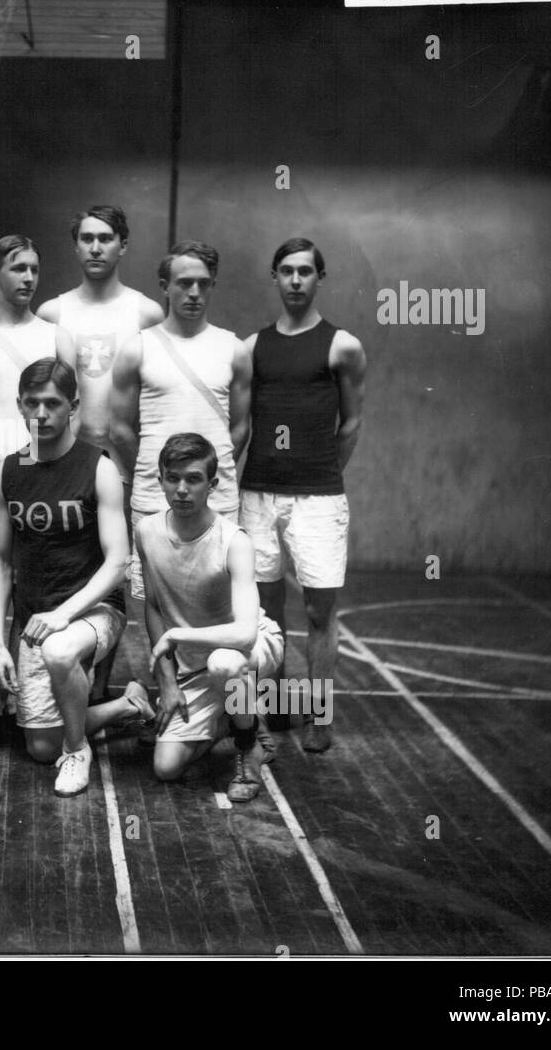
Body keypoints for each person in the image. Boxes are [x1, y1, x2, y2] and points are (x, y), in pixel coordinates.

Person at [0, 359, 150, 797]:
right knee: (40, 746)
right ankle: (124, 706)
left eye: (53, 404)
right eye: (32, 403)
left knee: (60, 651)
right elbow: (1, 560)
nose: (42, 414)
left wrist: (64, 614)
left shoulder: (98, 468)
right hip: (37, 619)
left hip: (94, 610)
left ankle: (78, 751)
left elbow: (118, 563)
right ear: (19, 405)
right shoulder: (9, 470)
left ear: (74, 405)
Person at [240, 238, 366, 752]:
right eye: (287, 271)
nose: (296, 280)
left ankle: (319, 714)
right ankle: (270, 706)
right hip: (258, 497)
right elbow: (242, 424)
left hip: (318, 500)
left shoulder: (343, 346)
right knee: (264, 612)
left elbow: (352, 421)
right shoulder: (252, 347)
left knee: (318, 612)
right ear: (275, 277)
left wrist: (320, 474)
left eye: (305, 272)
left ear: (320, 278)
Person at [37, 205, 162, 701]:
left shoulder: (147, 312)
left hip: (125, 465)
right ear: (75, 245)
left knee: (115, 572)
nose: (95, 247)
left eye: (105, 238)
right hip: (66, 465)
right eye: (86, 238)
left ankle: (100, 686)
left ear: (123, 245)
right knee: (69, 565)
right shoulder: (53, 312)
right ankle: (60, 679)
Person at [0, 235, 74, 724]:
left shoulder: (56, 338)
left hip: (46, 488)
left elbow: (72, 413)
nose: (27, 278)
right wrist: (9, 467)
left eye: (34, 269)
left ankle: (34, 695)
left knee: (37, 591)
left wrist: (41, 471)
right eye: (17, 268)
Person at [136, 433, 284, 800]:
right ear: (161, 480)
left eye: (193, 479)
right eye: (173, 478)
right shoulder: (146, 531)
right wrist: (167, 682)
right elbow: (153, 605)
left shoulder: (235, 541)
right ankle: (237, 718)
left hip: (251, 648)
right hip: (192, 666)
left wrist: (178, 637)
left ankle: (249, 746)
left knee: (225, 664)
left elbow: (245, 634)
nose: (182, 489)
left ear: (212, 484)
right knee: (165, 768)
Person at [110, 241, 251, 603]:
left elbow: (240, 427)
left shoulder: (233, 349)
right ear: (164, 286)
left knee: (219, 597)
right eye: (184, 283)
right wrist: (154, 471)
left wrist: (204, 473)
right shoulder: (137, 348)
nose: (194, 292)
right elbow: (121, 429)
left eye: (204, 284)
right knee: (155, 600)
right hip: (154, 494)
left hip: (216, 495)